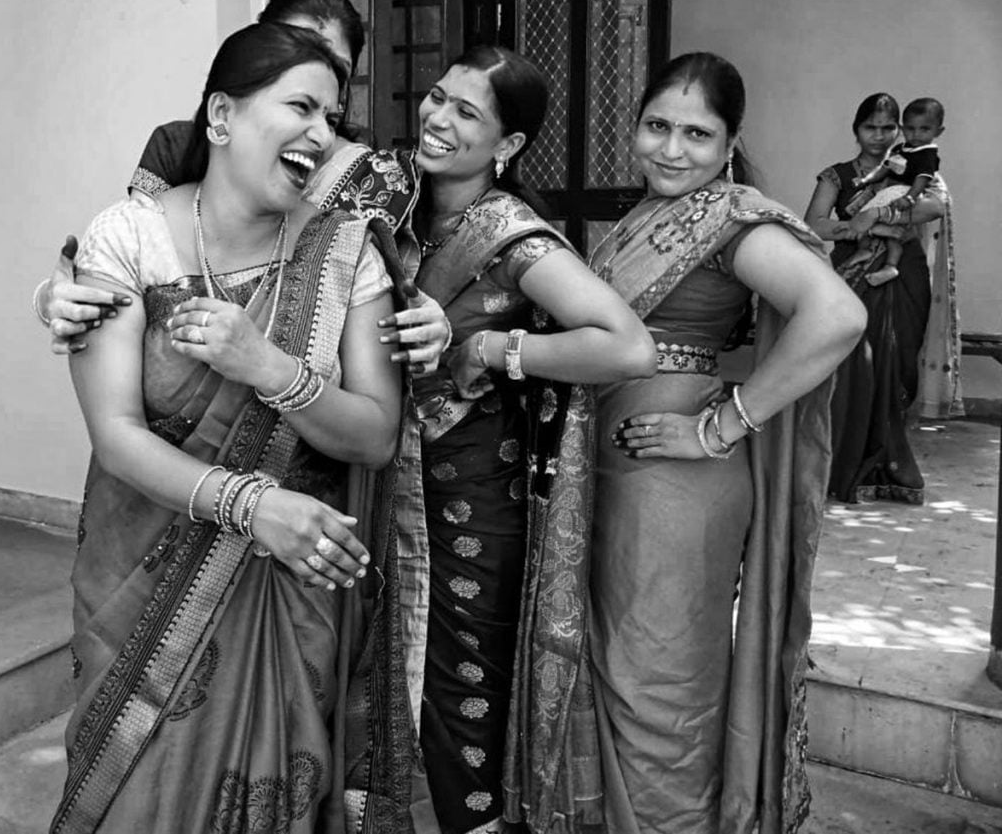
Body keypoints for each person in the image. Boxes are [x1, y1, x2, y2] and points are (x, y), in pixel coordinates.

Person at [49, 22, 414, 833]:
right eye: (301, 106)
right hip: (136, 573)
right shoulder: (129, 235)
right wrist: (255, 507)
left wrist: (266, 364)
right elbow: (116, 432)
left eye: (334, 115)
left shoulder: (344, 253)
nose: (323, 133)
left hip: (288, 590)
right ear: (221, 116)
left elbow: (375, 433)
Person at [331, 45, 657, 834]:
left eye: (467, 112)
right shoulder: (392, 200)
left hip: (473, 502)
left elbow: (626, 345)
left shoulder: (511, 238)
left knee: (459, 690)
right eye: (438, 97)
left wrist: (491, 350)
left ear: (507, 146)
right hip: (378, 474)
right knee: (368, 666)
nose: (438, 118)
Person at [588, 52, 867, 833]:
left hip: (677, 484)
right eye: (656, 126)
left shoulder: (732, 216)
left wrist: (720, 426)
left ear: (730, 141)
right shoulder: (642, 214)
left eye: (696, 134)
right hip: (622, 471)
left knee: (661, 682)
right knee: (620, 671)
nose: (671, 149)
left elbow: (839, 316)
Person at [34, 0, 448, 371]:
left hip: (319, 418)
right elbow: (131, 266)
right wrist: (59, 300)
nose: (311, 64)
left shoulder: (376, 174)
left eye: (333, 64)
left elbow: (393, 297)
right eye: (290, 45)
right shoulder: (180, 146)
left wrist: (433, 324)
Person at [805, 92, 956, 504]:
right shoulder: (836, 176)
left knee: (896, 366)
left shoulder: (915, 167)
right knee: (855, 367)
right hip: (854, 275)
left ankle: (887, 466)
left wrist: (878, 215)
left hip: (903, 277)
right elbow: (814, 223)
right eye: (870, 127)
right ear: (856, 130)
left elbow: (933, 208)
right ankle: (841, 463)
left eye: (888, 127)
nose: (879, 135)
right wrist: (854, 227)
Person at [845, 97, 946, 286]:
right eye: (910, 128)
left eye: (924, 129)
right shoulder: (901, 148)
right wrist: (867, 180)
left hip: (902, 193)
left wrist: (909, 198)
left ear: (938, 131)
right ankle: (869, 250)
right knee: (875, 222)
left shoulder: (927, 155)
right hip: (890, 192)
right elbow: (886, 168)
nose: (878, 136)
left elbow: (926, 187)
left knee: (879, 222)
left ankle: (890, 263)